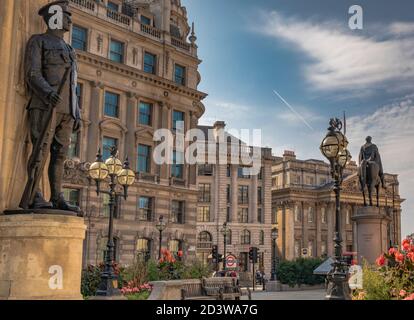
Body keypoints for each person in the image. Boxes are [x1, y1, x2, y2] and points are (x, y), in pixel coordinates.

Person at [22, 0, 81, 212]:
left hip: (66, 111)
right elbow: (32, 73)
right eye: (67, 15)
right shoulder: (38, 41)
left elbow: (73, 84)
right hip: (45, 105)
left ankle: (57, 197)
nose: (70, 20)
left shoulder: (69, 49)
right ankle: (34, 194)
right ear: (55, 16)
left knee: (60, 155)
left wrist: (77, 113)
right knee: (40, 150)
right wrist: (48, 93)